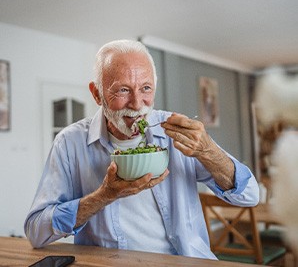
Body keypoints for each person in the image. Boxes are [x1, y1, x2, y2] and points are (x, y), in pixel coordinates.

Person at [24, 39, 259, 259]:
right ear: (97, 93)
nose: (137, 104)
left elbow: (249, 195)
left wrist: (208, 151)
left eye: (145, 88)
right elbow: (36, 231)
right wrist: (104, 196)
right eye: (123, 90)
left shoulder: (177, 130)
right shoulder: (69, 143)